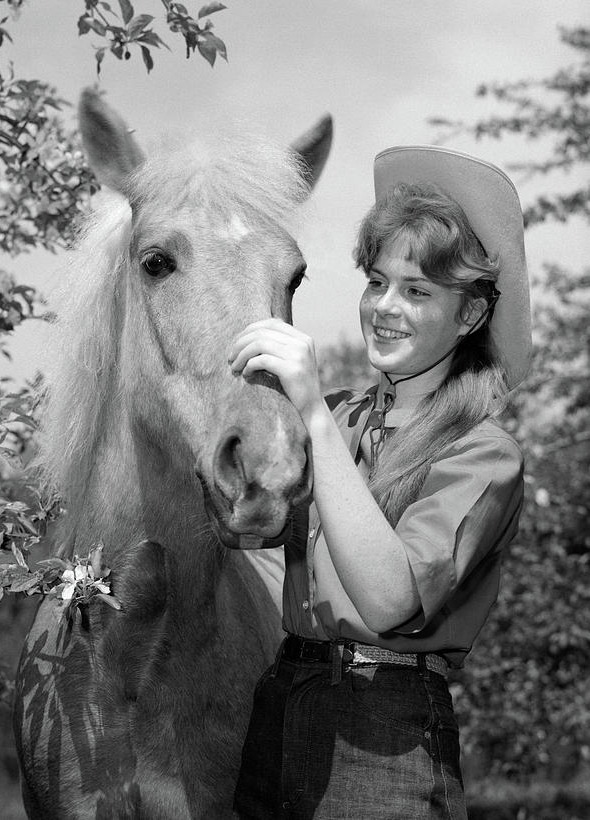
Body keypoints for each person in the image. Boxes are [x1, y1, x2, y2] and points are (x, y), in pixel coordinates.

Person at [228, 145, 532, 820]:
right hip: (280, 701)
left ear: (471, 316)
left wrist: (309, 411)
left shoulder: (483, 456)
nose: (384, 308)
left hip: (386, 732)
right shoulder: (340, 416)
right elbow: (244, 520)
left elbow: (389, 602)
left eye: (418, 291)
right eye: (376, 282)